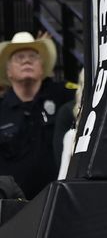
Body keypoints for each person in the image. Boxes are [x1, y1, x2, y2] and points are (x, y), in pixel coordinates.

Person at [0, 32, 72, 199]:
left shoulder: (63, 96)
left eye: (33, 56)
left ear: (43, 68)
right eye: (19, 57)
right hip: (10, 209)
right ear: (8, 71)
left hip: (57, 202)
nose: (27, 60)